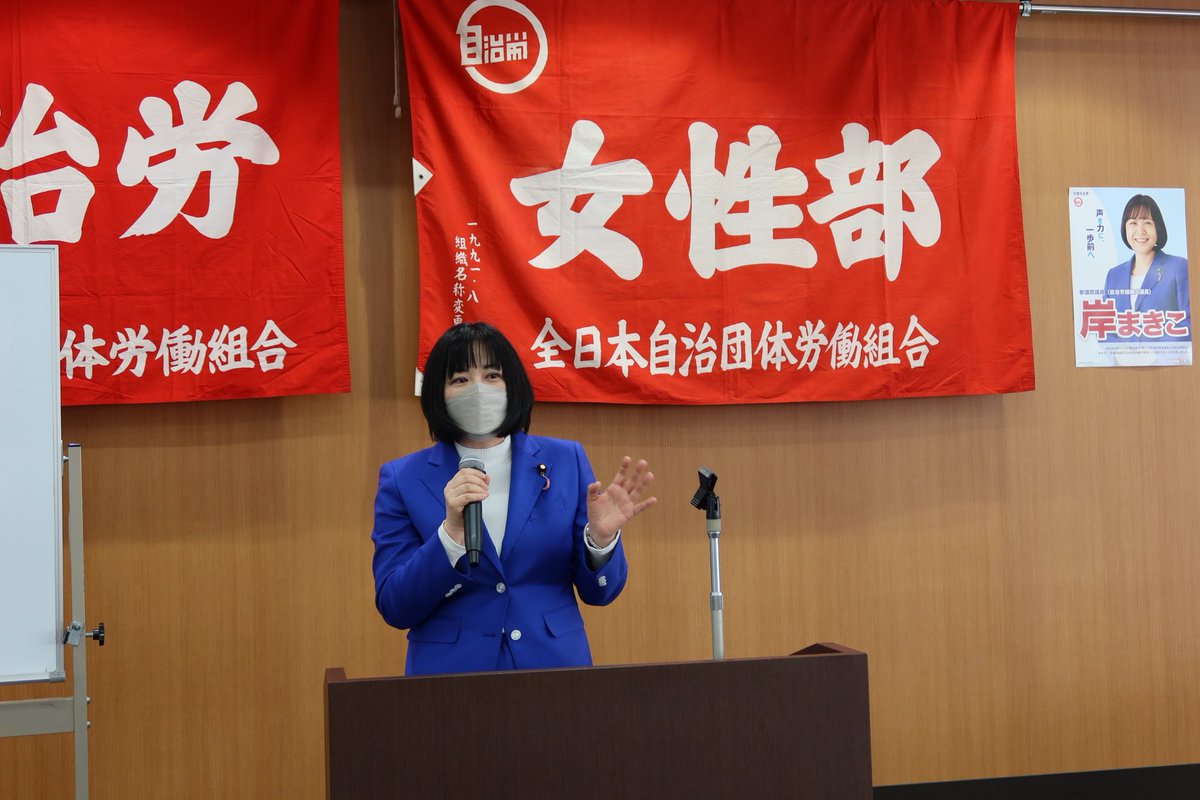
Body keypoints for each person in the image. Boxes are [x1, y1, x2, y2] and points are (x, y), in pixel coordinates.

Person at [371, 321, 656, 676]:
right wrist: (449, 536)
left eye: (492, 375)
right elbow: (395, 606)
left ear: (513, 385)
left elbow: (601, 593)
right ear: (436, 394)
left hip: (552, 670)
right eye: (460, 379)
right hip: (449, 678)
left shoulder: (565, 460)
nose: (478, 389)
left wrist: (599, 543)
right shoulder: (402, 478)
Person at [1103, 193, 1191, 340]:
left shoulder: (1178, 267)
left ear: (1158, 227)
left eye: (1147, 223)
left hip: (1166, 355)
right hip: (1123, 355)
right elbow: (1104, 326)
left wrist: (1153, 350)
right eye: (1133, 223)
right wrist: (1119, 352)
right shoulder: (1113, 275)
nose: (1140, 231)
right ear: (1125, 228)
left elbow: (1190, 321)